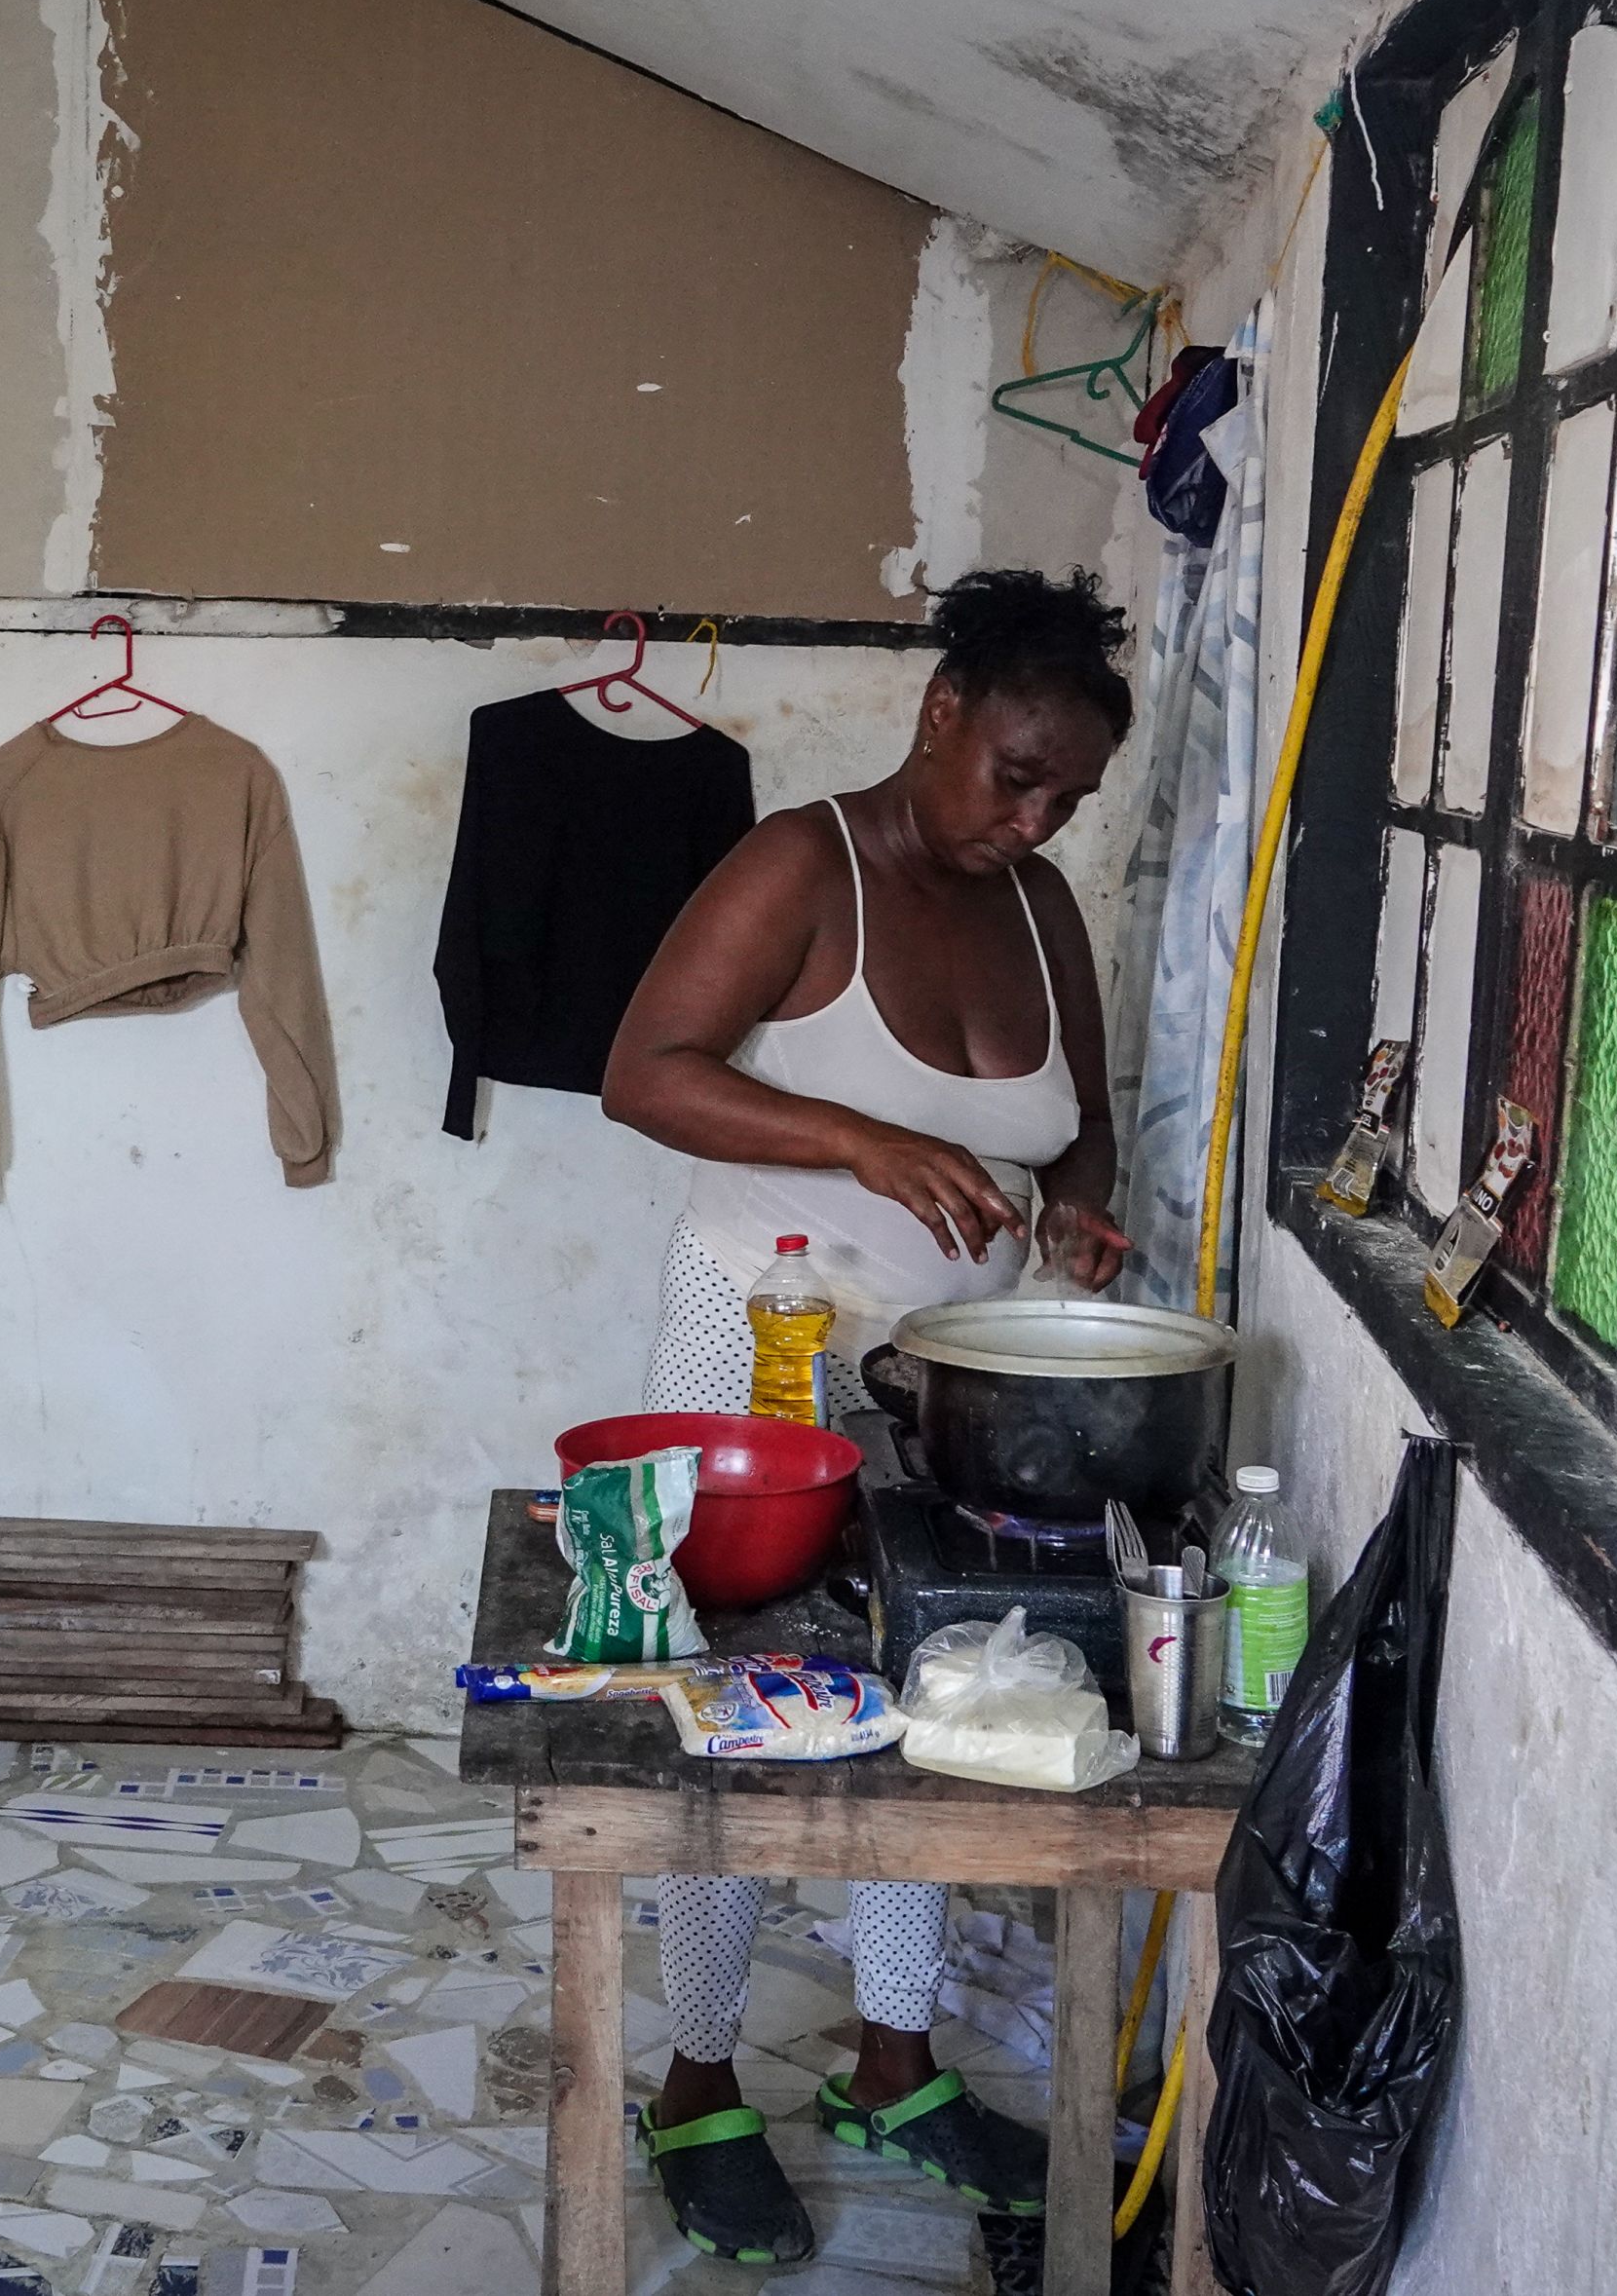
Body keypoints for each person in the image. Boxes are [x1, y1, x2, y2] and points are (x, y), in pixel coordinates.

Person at [597, 567, 1132, 2265]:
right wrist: (859, 1139)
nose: (1033, 820)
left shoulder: (1044, 911)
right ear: (940, 713)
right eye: (1017, 776)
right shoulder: (800, 864)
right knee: (738, 1702)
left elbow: (1082, 1128)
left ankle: (893, 2060)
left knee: (930, 1684)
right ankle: (696, 2078)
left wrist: (1079, 1214)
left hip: (948, 1366)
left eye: (1067, 799)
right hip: (753, 1332)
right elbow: (645, 1070)